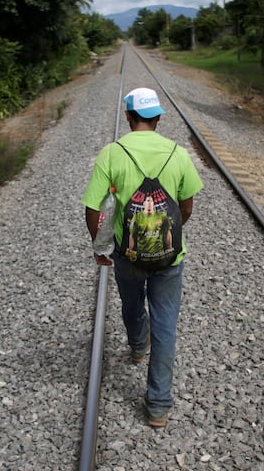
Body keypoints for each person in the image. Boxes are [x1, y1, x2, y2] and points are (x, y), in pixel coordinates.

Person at [81, 87, 204, 428]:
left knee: (132, 305)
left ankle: (137, 345)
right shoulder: (178, 153)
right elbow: (187, 207)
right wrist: (162, 237)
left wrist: (100, 246)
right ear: (159, 118)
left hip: (128, 253)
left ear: (129, 117)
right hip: (170, 259)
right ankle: (158, 406)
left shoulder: (112, 152)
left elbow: (93, 208)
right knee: (166, 323)